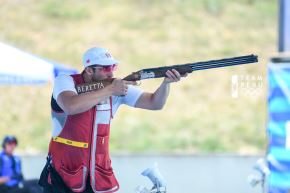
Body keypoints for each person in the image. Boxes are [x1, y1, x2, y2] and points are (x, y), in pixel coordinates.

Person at [39, 47, 187, 193]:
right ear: (89, 70)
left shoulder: (115, 87)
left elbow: (155, 103)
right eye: (105, 68)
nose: (111, 72)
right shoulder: (65, 81)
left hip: (98, 176)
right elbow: (71, 106)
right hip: (63, 175)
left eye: (113, 66)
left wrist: (166, 83)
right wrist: (110, 90)